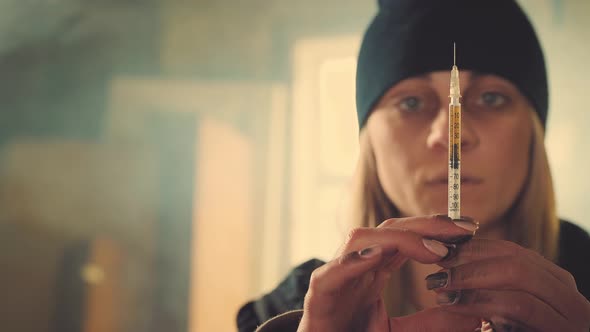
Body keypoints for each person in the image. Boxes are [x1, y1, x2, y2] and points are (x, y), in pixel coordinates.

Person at [237, 0, 590, 331]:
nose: (451, 133)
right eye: (410, 102)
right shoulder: (301, 311)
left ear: (533, 133)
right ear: (368, 138)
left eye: (491, 98)